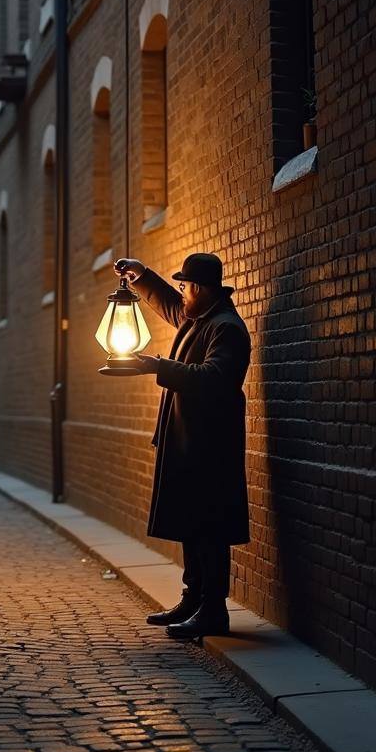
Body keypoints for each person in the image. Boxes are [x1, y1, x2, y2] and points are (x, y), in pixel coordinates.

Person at [113, 253, 251, 639]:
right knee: (193, 524)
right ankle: (193, 598)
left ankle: (213, 609)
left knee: (209, 528)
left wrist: (157, 366)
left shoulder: (226, 328)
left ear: (202, 290)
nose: (182, 294)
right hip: (191, 442)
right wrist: (141, 277)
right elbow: (172, 307)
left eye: (186, 287)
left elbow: (216, 377)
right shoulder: (202, 318)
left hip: (211, 447)